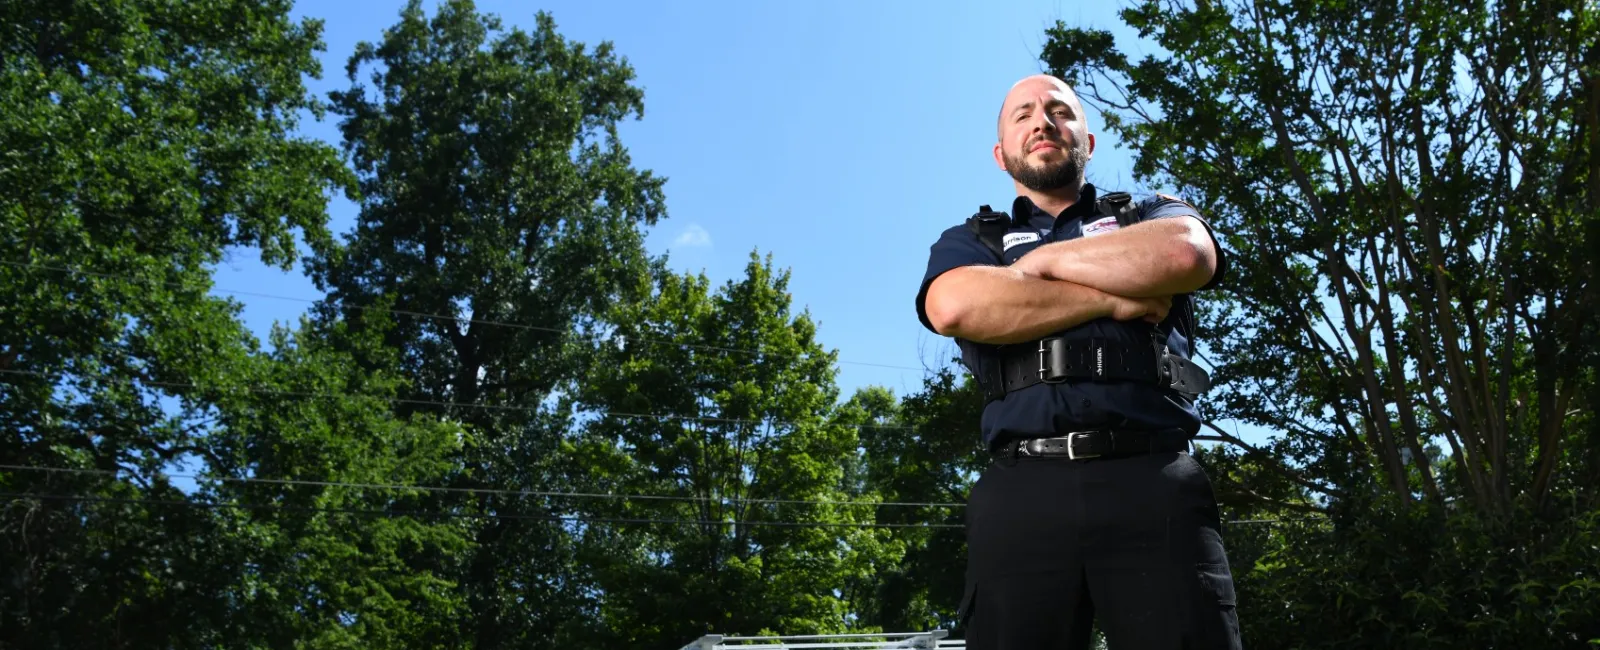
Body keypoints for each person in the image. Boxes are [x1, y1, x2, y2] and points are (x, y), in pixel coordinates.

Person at [915, 74, 1242, 649]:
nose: (1041, 121)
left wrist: (1037, 270)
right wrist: (1116, 294)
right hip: (1022, 489)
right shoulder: (973, 239)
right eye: (1022, 115)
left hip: (1154, 476)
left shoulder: (1146, 211)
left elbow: (1184, 253)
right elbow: (955, 305)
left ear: (1087, 140)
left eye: (1059, 110)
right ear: (1001, 155)